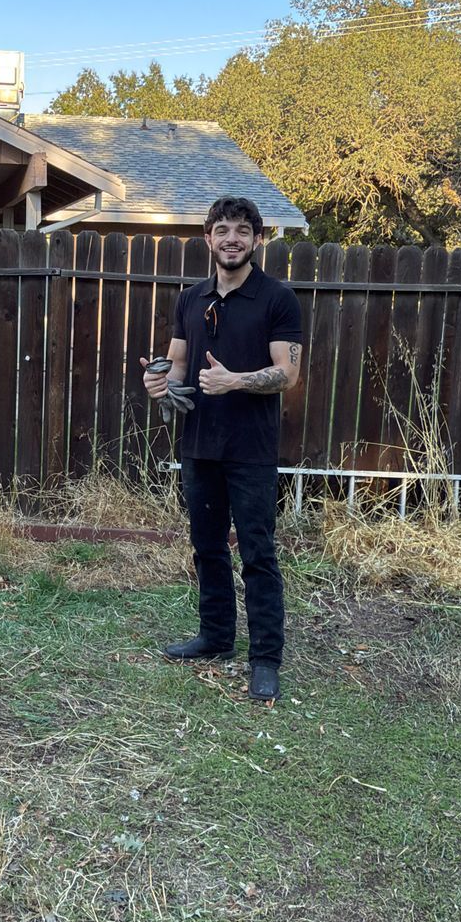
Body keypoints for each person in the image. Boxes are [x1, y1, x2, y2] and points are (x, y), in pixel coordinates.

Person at [143, 195, 302, 701]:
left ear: (258, 239)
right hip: (199, 445)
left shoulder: (277, 298)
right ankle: (215, 638)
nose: (231, 239)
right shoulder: (191, 298)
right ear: (208, 238)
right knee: (207, 547)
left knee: (257, 553)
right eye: (222, 230)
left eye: (241, 230)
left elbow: (288, 374)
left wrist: (235, 380)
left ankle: (266, 658)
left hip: (251, 447)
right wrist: (158, 382)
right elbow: (177, 365)